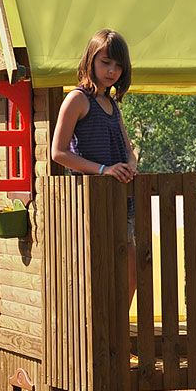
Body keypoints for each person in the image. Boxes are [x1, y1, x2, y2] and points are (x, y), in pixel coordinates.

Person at [50, 29, 138, 298]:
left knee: (130, 272)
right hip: (91, 201)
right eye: (106, 62)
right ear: (90, 60)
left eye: (118, 66)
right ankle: (103, 334)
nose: (112, 71)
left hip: (121, 200)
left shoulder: (111, 103)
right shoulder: (77, 99)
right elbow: (58, 152)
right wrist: (104, 170)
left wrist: (131, 163)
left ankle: (119, 331)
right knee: (96, 273)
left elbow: (127, 147)